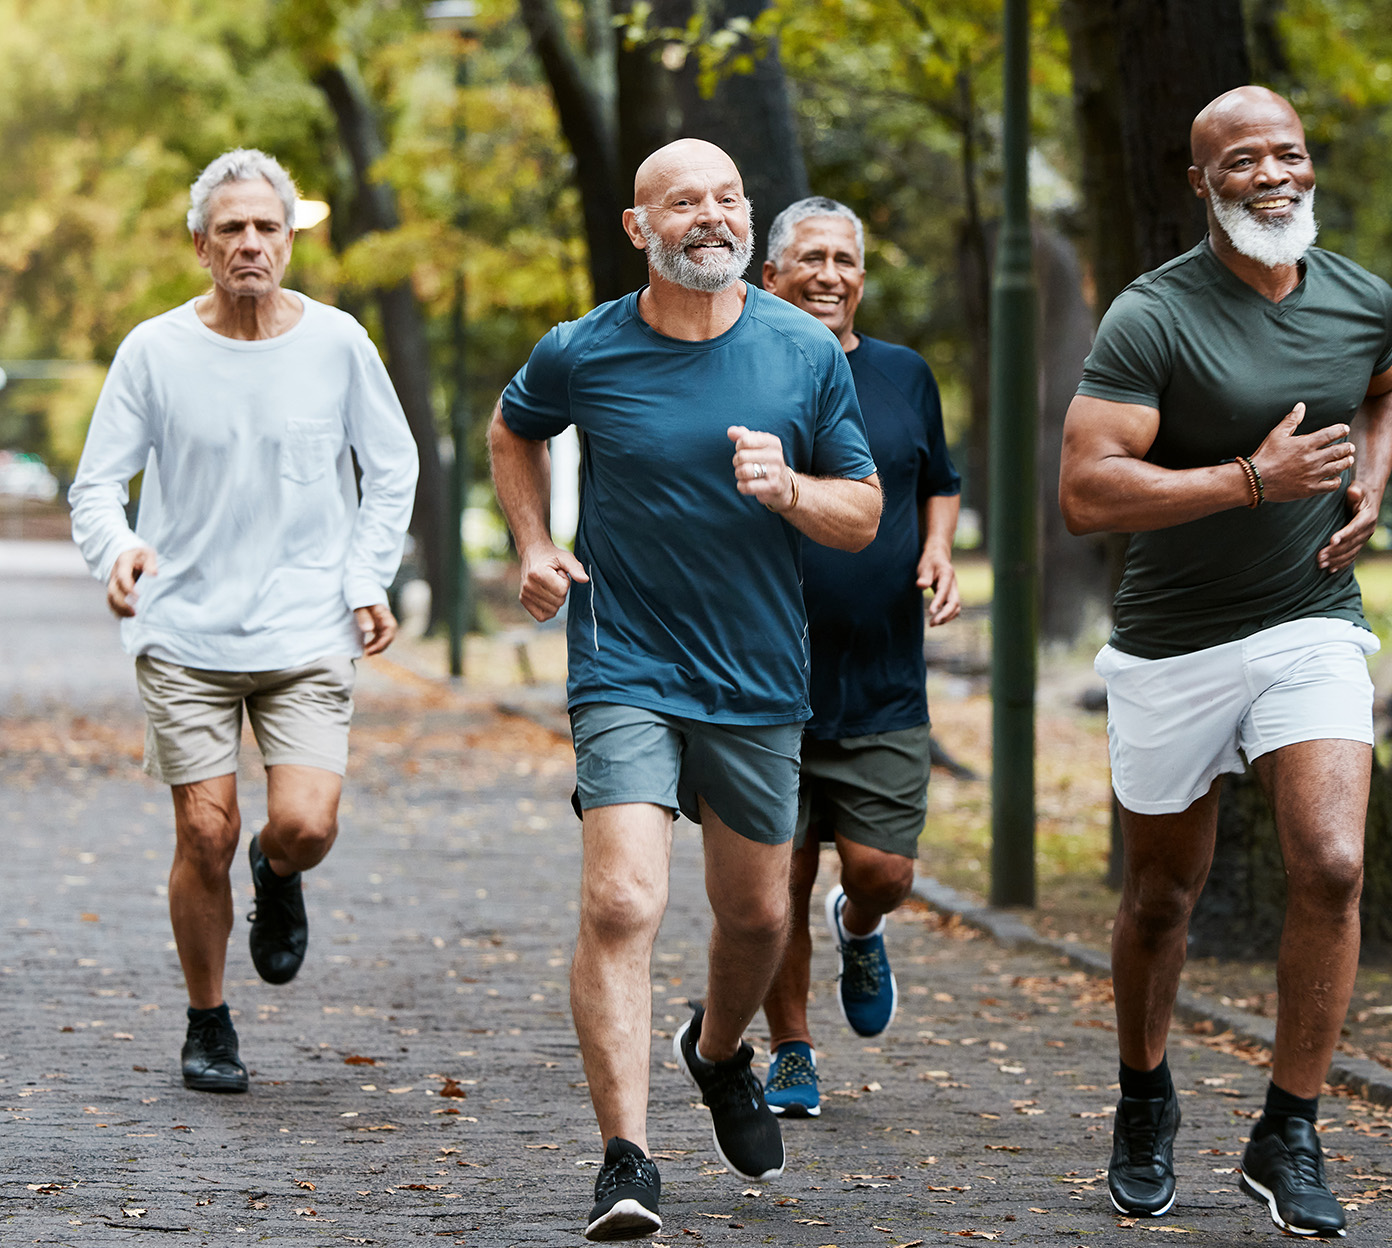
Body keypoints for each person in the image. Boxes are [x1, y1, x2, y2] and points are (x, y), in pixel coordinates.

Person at [488, 140, 881, 1241]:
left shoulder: (803, 350)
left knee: (757, 915)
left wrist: (790, 488)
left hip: (758, 675)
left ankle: (716, 1054)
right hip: (627, 665)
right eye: (685, 202)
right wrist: (532, 544)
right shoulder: (584, 350)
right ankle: (627, 1160)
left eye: (727, 199)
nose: (711, 216)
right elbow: (514, 429)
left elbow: (863, 510)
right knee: (623, 900)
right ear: (638, 227)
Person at [1059, 86, 1392, 1238]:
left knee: (1335, 863)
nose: (1273, 175)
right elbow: (1086, 492)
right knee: (1161, 896)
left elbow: (1386, 387)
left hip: (1311, 618)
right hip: (1173, 642)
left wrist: (1370, 480)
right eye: (1243, 160)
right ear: (1200, 182)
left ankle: (1287, 1130)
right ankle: (1145, 1098)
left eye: (1288, 154)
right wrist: (1251, 481)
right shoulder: (1152, 317)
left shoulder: (1360, 299)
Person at [68, 149, 418, 1097]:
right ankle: (208, 1019)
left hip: (308, 627)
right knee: (204, 835)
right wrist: (119, 550)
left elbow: (391, 468)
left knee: (303, 824)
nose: (251, 243)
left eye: (268, 227)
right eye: (232, 229)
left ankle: (279, 872)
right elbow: (97, 485)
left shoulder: (340, 343)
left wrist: (366, 576)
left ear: (290, 240)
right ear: (201, 245)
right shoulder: (155, 350)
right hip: (183, 630)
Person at [757, 197, 960, 1118]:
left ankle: (862, 923)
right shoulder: (745, 373)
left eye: (845, 259)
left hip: (883, 675)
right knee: (774, 885)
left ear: (862, 279)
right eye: (810, 258)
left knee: (881, 870)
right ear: (772, 277)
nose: (829, 274)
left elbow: (940, 483)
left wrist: (939, 548)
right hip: (763, 681)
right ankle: (791, 1049)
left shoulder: (906, 375)